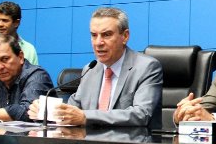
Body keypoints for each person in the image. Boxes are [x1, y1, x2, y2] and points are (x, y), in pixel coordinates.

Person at [29, 7, 163, 128]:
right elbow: (73, 108)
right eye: (94, 35)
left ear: (125, 36)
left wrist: (85, 117)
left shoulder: (146, 67)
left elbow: (141, 115)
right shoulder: (90, 69)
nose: (98, 43)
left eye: (106, 34)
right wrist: (46, 112)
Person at [0, 1, 39, 67]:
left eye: (5, 20)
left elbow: (35, 75)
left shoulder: (29, 49)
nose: (0, 24)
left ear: (16, 23)